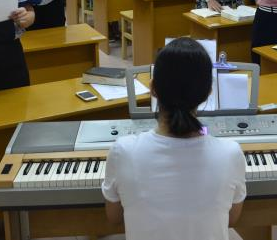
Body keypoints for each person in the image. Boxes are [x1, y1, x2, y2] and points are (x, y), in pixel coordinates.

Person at [102, 37, 246, 240]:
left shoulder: (123, 150)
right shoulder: (230, 152)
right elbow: (231, 219)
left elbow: (114, 217)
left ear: (153, 88)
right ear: (207, 94)